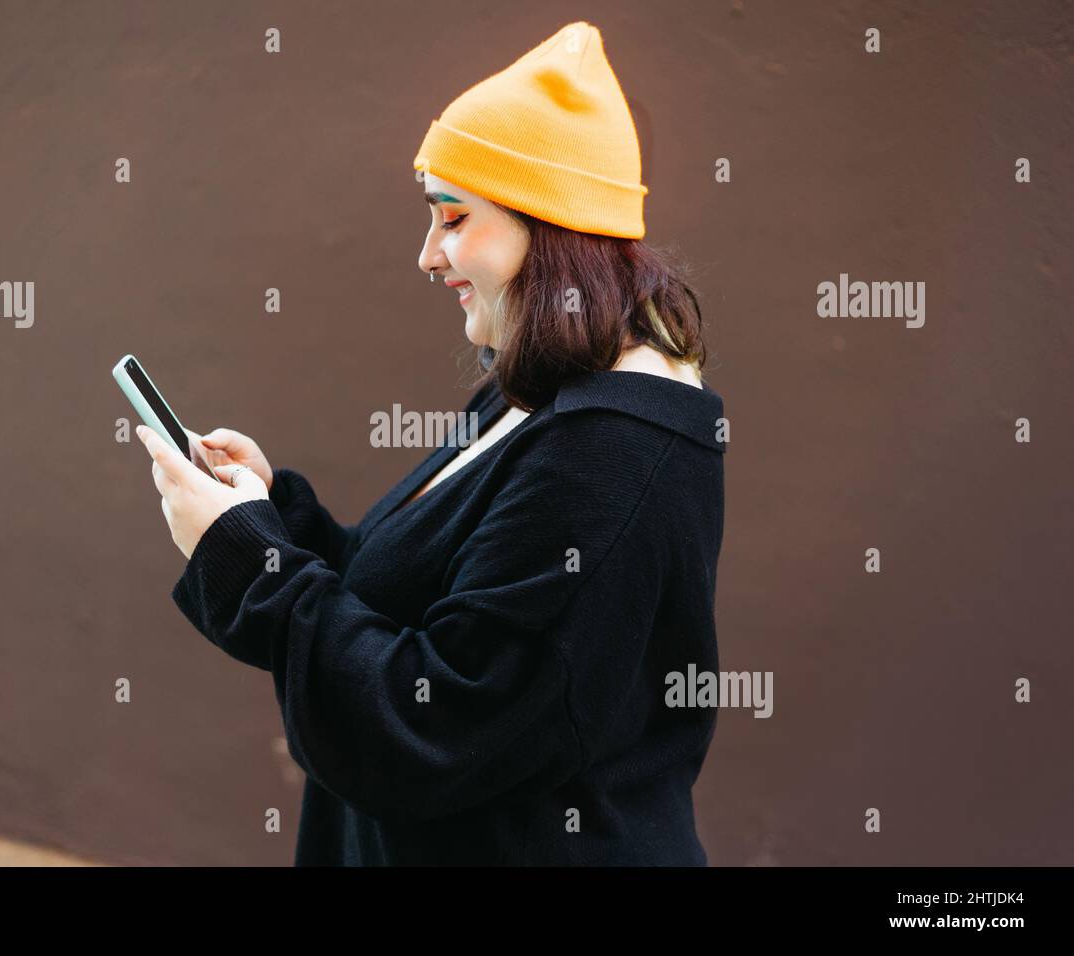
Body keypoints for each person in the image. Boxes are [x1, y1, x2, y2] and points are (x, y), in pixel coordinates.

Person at [136, 20, 727, 865]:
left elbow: (431, 727)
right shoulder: (543, 399)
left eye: (454, 218)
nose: (428, 255)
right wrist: (268, 524)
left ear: (552, 231)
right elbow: (410, 602)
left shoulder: (610, 453)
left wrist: (242, 563)